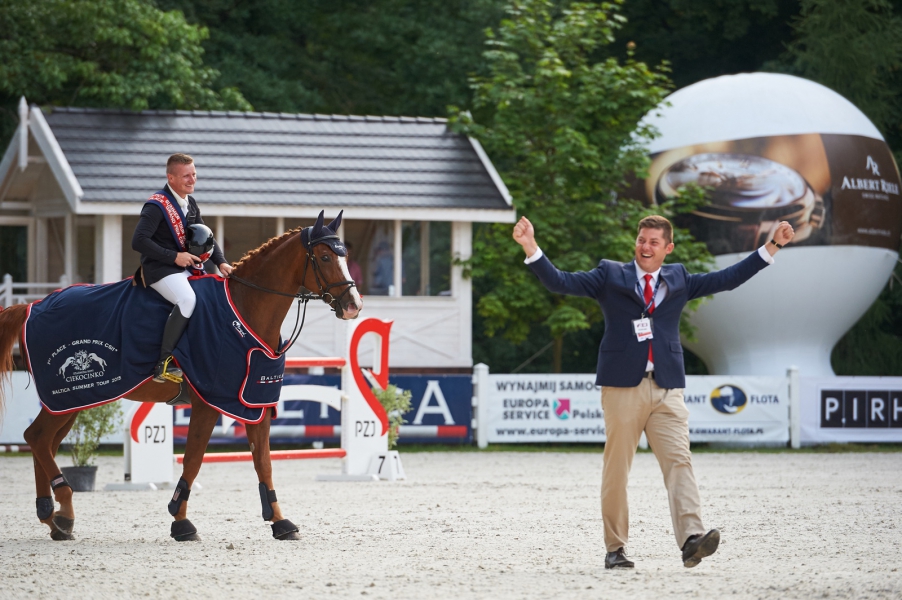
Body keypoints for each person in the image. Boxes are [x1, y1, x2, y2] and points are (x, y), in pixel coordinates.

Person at [512, 214, 794, 569]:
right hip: (622, 387)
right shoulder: (609, 274)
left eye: (654, 242)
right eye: (641, 240)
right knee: (617, 470)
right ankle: (615, 548)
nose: (645, 247)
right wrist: (530, 247)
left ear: (668, 248)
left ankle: (691, 539)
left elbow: (727, 279)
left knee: (680, 461)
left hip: (666, 387)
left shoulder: (679, 278)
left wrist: (773, 246)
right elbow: (560, 281)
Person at [132, 153, 232, 383]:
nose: (192, 180)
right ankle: (164, 363)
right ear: (171, 178)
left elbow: (207, 237)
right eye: (186, 176)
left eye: (194, 174)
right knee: (187, 300)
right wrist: (174, 256)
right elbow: (138, 241)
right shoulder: (156, 205)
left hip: (186, 268)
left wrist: (221, 262)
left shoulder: (190, 203)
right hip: (160, 270)